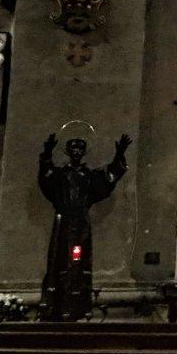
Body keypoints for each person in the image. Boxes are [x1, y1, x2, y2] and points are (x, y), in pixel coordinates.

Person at [38, 130, 131, 319]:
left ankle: (79, 305)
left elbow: (108, 177)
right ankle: (55, 305)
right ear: (67, 151)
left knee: (79, 263)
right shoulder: (61, 175)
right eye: (73, 147)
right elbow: (46, 179)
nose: (77, 151)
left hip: (80, 222)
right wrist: (47, 154)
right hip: (63, 222)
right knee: (59, 260)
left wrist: (119, 155)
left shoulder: (89, 176)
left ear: (84, 152)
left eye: (80, 148)